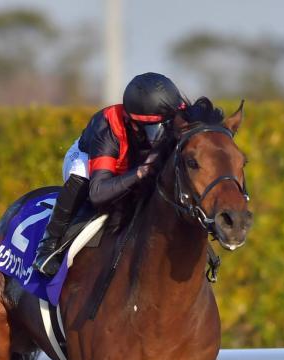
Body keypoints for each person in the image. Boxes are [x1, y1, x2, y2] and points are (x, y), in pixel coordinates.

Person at [32, 72, 187, 277]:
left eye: (165, 125)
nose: (160, 135)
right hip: (91, 162)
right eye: (153, 129)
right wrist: (140, 172)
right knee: (81, 178)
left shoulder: (176, 116)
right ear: (133, 122)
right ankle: (48, 247)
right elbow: (97, 193)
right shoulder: (108, 126)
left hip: (133, 162)